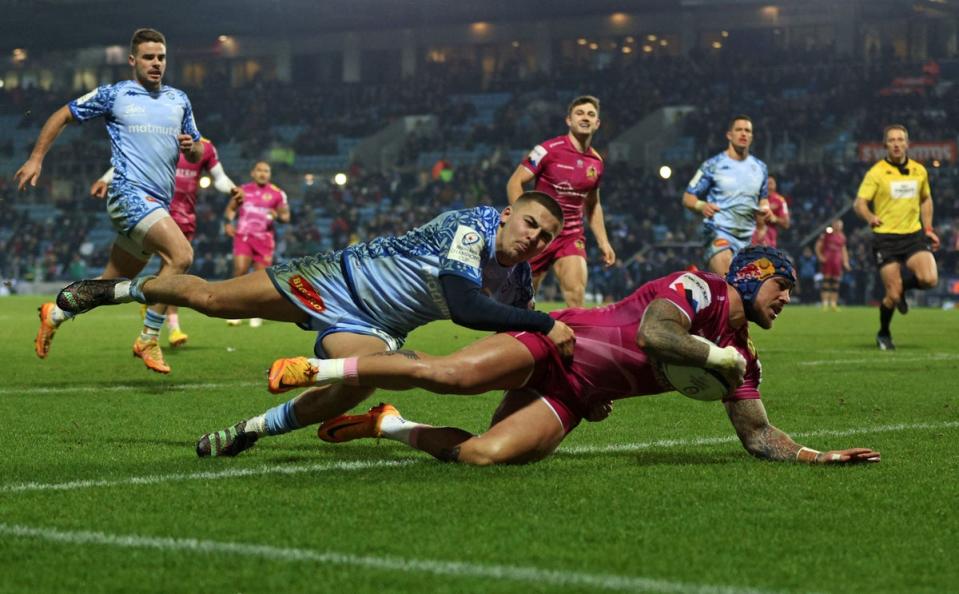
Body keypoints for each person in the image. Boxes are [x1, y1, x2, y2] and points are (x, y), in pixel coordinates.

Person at [56, 192, 576, 456]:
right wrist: (543, 321)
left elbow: (510, 340)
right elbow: (465, 305)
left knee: (356, 383)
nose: (534, 238)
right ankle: (108, 290)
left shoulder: (519, 283)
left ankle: (248, 431)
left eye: (546, 236)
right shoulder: (474, 226)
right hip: (333, 280)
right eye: (530, 223)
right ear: (508, 214)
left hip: (377, 326)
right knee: (212, 299)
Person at [268, 246, 879, 467]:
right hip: (557, 342)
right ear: (752, 278)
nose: (787, 301)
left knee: (482, 456)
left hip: (576, 394)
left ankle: (388, 423)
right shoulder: (702, 290)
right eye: (783, 287)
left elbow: (756, 435)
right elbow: (654, 336)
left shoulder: (741, 355)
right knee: (451, 376)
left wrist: (816, 455)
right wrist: (715, 356)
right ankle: (319, 370)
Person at [16, 28, 203, 374]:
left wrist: (193, 147)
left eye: (161, 57)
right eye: (149, 57)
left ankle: (54, 313)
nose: (156, 63)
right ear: (132, 61)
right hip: (129, 194)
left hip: (157, 203)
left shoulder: (179, 100)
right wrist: (36, 158)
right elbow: (63, 115)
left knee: (104, 287)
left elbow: (199, 146)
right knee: (181, 256)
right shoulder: (115, 95)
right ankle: (149, 337)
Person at [91, 138, 243, 346]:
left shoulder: (204, 148)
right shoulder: (159, 137)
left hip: (185, 217)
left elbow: (219, 178)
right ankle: (160, 322)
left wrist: (232, 189)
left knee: (171, 271)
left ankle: (62, 309)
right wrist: (105, 179)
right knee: (169, 268)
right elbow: (130, 160)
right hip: (153, 212)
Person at [506, 95, 615, 307]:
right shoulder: (548, 150)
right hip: (539, 234)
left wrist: (603, 241)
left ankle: (573, 340)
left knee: (576, 295)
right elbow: (514, 182)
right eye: (580, 113)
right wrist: (523, 222)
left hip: (571, 235)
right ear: (569, 120)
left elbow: (592, 204)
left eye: (591, 114)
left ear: (597, 123)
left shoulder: (596, 162)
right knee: (523, 302)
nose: (585, 118)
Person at [853, 124, 940, 351]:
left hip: (913, 235)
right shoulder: (876, 172)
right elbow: (859, 203)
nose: (896, 144)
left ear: (907, 143)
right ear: (885, 145)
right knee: (891, 295)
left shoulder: (919, 171)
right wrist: (870, 216)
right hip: (886, 238)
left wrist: (928, 229)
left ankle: (903, 289)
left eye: (900, 139)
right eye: (891, 140)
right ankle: (884, 333)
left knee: (930, 279)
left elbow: (926, 199)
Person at [683, 115, 770, 275]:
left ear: (751, 136)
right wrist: (701, 205)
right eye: (739, 130)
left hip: (748, 238)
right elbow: (688, 197)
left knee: (749, 294)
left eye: (747, 130)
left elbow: (763, 198)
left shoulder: (760, 168)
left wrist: (765, 207)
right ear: (729, 135)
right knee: (728, 283)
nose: (743, 134)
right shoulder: (713, 165)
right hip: (719, 233)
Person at [223, 161, 290, 327]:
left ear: (270, 174)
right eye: (259, 170)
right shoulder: (243, 190)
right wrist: (228, 223)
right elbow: (231, 209)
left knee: (259, 278)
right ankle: (235, 311)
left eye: (266, 171)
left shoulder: (277, 194)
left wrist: (277, 215)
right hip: (243, 236)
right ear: (253, 173)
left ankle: (257, 312)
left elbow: (286, 217)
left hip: (265, 239)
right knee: (240, 271)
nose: (263, 174)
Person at [814, 220, 851, 311]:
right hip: (828, 261)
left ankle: (833, 303)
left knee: (835, 283)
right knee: (826, 282)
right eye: (837, 224)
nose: (838, 226)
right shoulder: (827, 234)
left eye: (840, 225)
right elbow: (818, 245)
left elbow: (843, 250)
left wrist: (846, 262)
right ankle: (825, 303)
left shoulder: (842, 237)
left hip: (837, 262)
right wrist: (820, 256)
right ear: (833, 225)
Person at [751, 176, 790, 247]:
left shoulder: (780, 201)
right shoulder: (754, 198)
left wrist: (775, 218)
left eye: (771, 183)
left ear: (775, 185)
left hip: (769, 239)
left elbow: (786, 224)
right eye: (766, 184)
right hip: (751, 236)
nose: (769, 187)